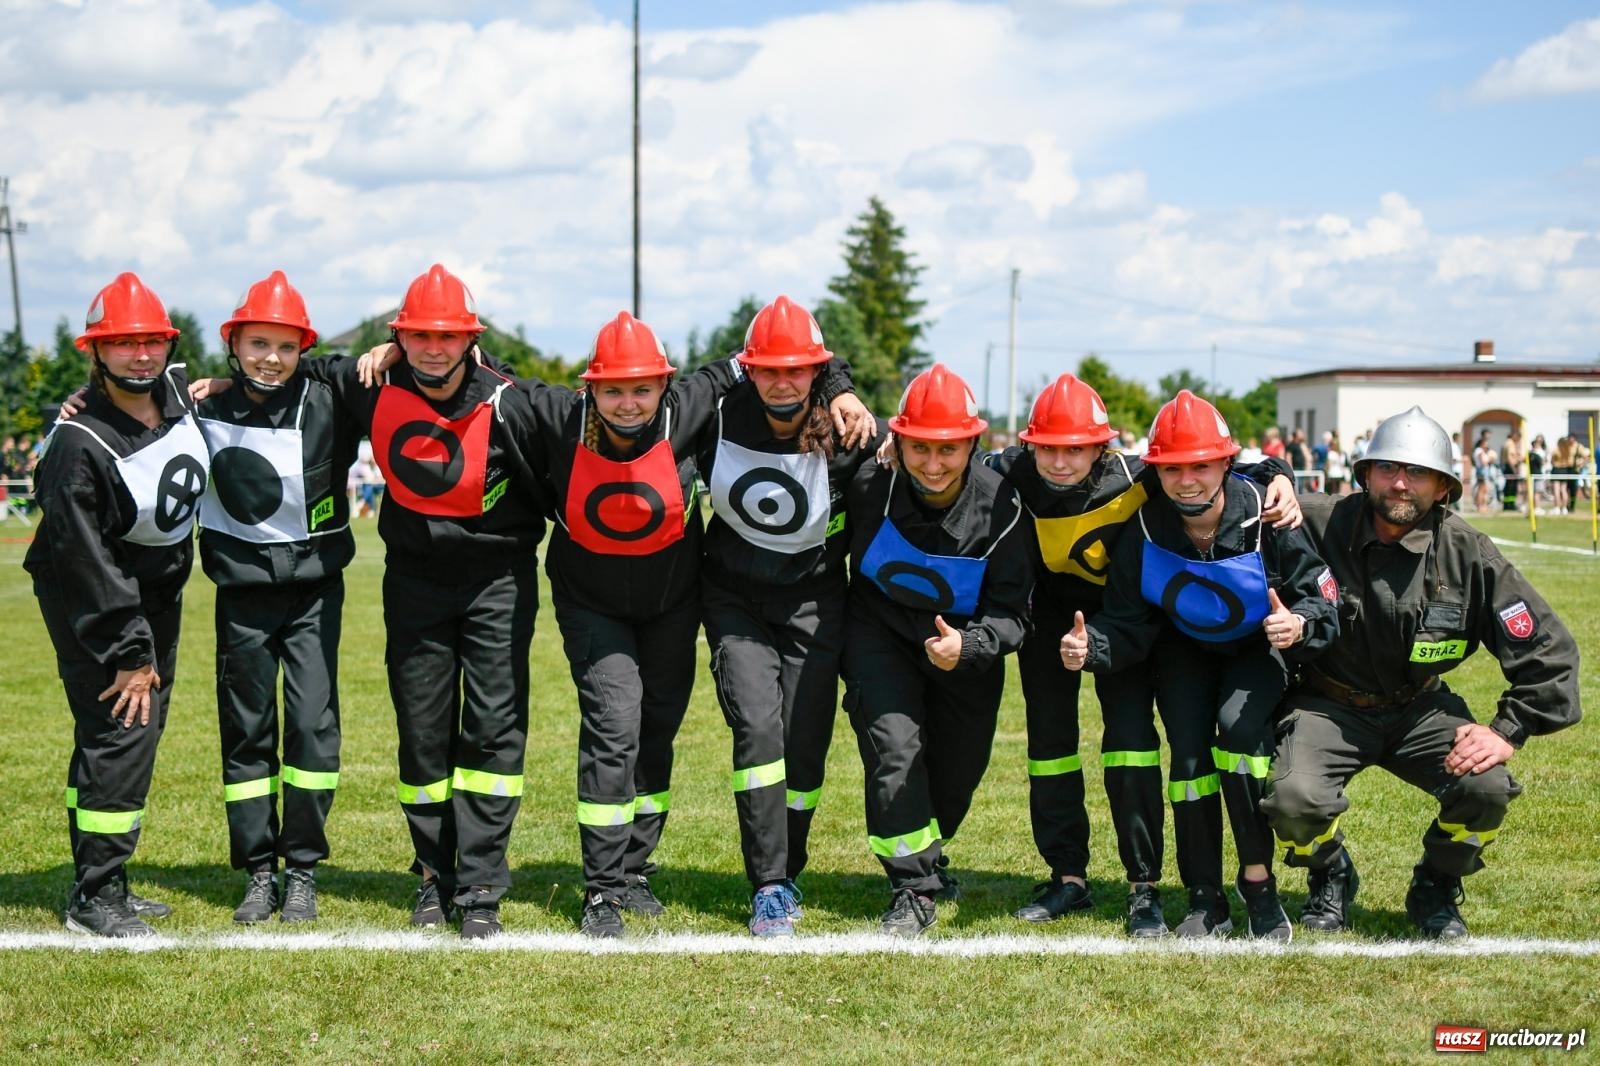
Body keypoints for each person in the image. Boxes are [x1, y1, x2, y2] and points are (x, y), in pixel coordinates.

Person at [514, 309, 866, 938]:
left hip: (676, 602)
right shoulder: (560, 414)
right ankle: (602, 889)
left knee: (659, 730)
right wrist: (398, 353)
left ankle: (635, 869)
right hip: (595, 601)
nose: (627, 403)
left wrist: (839, 385)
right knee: (615, 723)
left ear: (664, 386)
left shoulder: (693, 404)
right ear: (588, 388)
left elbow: (785, 355)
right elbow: (477, 375)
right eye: (613, 389)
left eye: (641, 388)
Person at [985, 374, 1302, 935]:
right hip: (1054, 625)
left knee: (1130, 744)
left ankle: (1144, 887)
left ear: (1102, 447)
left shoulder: (1141, 477)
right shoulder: (1012, 470)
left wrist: (1281, 476)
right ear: (1031, 446)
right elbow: (956, 465)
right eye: (1047, 450)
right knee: (1049, 746)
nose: (1059, 463)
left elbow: (1212, 468)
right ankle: (1067, 876)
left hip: (1136, 623)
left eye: (1075, 449)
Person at [1262, 407, 1581, 938]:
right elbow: (1226, 491)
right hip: (1328, 703)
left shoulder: (1468, 552)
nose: (1401, 483)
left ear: (1443, 487)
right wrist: (1275, 478)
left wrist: (1506, 731)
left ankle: (1435, 884)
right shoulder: (1314, 521)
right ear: (1365, 474)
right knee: (1294, 800)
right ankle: (1330, 872)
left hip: (1419, 708)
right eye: (1387, 468)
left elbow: (1549, 652)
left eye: (1418, 473)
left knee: (1487, 787)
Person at [311, 264, 551, 939]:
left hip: (499, 585)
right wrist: (195, 386)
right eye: (419, 336)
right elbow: (288, 369)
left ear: (470, 340)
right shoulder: (372, 384)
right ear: (400, 338)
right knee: (422, 735)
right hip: (413, 586)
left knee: (493, 733)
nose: (434, 349)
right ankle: (431, 875)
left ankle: (479, 886)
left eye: (449, 336)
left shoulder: (509, 398)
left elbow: (585, 423)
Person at [1061, 390, 1338, 941]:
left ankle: (1258, 885)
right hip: (1182, 652)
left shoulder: (1270, 516)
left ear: (1226, 464)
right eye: (1173, 468)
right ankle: (1203, 896)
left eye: (1201, 465)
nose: (1187, 479)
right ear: (1155, 469)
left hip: (1254, 651)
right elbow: (1128, 622)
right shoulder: (1143, 529)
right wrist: (1092, 647)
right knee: (1189, 761)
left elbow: (1322, 597)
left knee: (1238, 740)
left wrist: (1299, 626)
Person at [26, 272, 209, 937]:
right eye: (122, 343)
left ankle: (101, 880)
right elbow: (86, 564)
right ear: (95, 352)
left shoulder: (175, 394)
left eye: (150, 342)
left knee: (128, 735)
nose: (140, 355)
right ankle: (95, 900)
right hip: (97, 598)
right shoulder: (77, 447)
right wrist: (131, 652)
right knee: (121, 732)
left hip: (156, 594)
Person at [695, 296, 885, 937]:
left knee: (804, 749)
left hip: (816, 602)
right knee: (758, 730)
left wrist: (842, 387)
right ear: (748, 369)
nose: (782, 381)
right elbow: (656, 398)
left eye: (798, 370)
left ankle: (789, 864)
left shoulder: (851, 431)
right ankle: (769, 885)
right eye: (768, 369)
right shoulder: (716, 415)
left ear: (816, 372)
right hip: (733, 600)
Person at [843, 364, 1034, 937]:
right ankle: (913, 887)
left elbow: (1016, 614)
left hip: (965, 653)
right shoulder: (868, 484)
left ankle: (929, 855)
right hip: (877, 636)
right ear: (896, 441)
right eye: (919, 447)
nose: (932, 464)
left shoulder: (1003, 507)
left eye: (947, 450)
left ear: (972, 444)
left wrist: (970, 644)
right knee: (895, 754)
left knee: (955, 775)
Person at [194, 272, 361, 924]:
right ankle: (259, 871)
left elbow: (385, 370)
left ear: (304, 350)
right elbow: (122, 396)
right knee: (247, 735)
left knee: (314, 735)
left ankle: (304, 871)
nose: (271, 358)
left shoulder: (330, 400)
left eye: (287, 347)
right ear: (233, 344)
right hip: (241, 597)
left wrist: (319, 360)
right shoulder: (198, 404)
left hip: (315, 594)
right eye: (257, 343)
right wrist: (75, 400)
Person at [1472, 430, 1496, 514]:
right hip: (1482, 472)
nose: (1487, 445)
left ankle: (1483, 505)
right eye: (1486, 444)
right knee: (1482, 490)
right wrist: (1490, 459)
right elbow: (1483, 461)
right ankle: (1481, 506)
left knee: (1484, 490)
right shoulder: (1479, 451)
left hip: (1482, 472)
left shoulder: (1479, 451)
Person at [1500, 428, 1523, 513]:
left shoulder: (1507, 443)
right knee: (1511, 487)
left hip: (1508, 467)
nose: (1519, 440)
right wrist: (1514, 470)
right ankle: (1510, 505)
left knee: (1509, 486)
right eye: (1519, 438)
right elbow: (1510, 458)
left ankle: (1508, 504)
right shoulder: (1510, 444)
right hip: (1510, 468)